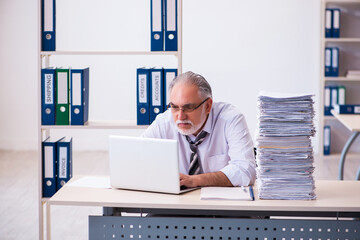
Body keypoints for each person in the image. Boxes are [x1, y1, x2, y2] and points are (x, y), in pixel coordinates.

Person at [142, 71, 256, 188]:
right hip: (177, 202)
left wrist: (195, 180)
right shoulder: (163, 123)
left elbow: (246, 170)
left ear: (207, 106)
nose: (180, 116)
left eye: (188, 108)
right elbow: (137, 158)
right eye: (175, 107)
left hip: (221, 204)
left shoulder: (230, 120)